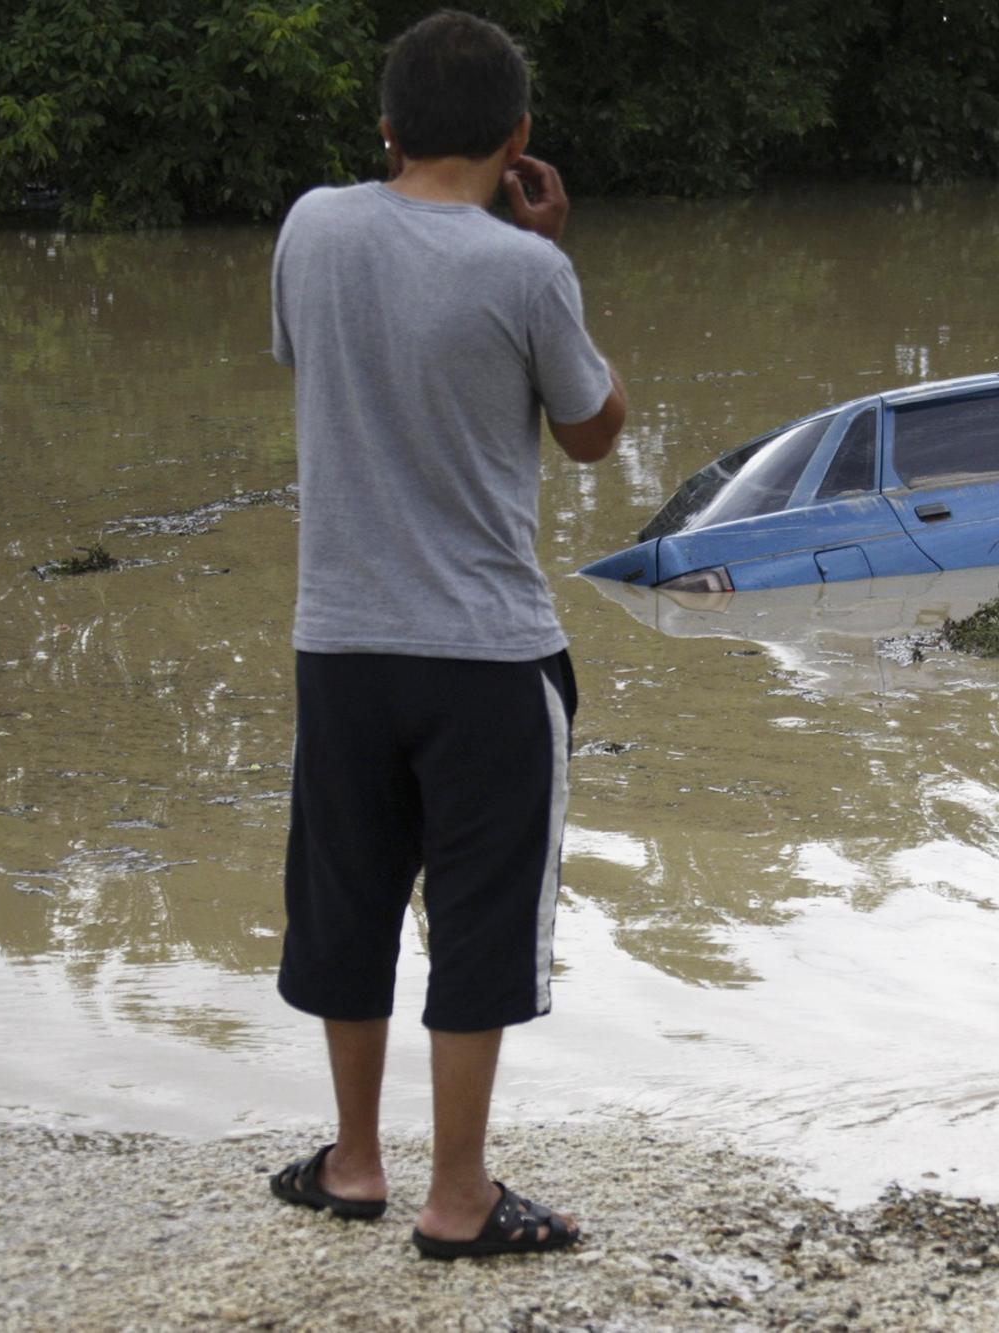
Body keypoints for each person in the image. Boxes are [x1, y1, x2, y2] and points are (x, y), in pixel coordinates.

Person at [263, 9, 626, 1260]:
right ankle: (457, 1195)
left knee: (347, 899)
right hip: (484, 657)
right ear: (519, 137)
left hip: (341, 644)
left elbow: (310, 358)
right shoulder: (526, 269)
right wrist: (536, 251)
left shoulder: (311, 227)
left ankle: (353, 1163)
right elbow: (591, 432)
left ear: (386, 127)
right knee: (478, 919)